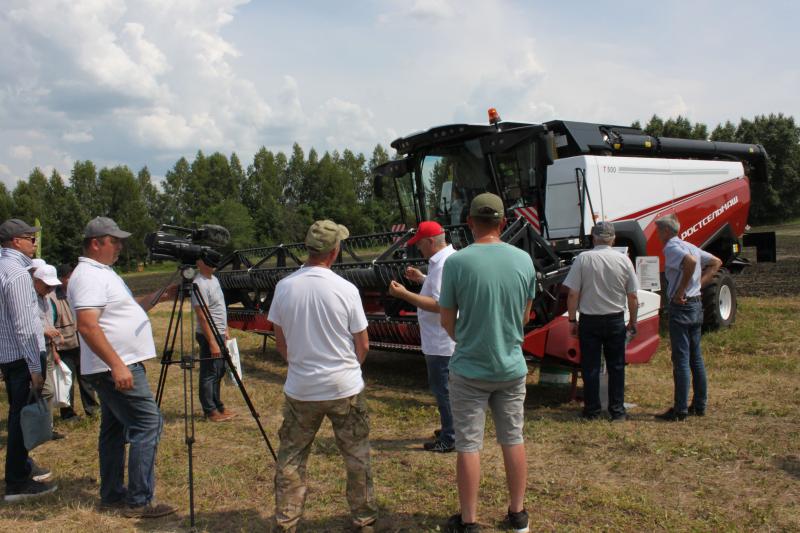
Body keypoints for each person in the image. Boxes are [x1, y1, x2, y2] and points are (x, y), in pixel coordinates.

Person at [268, 219, 377, 532]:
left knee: (292, 457)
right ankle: (364, 519)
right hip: (344, 387)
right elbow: (363, 345)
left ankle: (286, 522)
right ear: (334, 251)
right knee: (356, 456)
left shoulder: (284, 287)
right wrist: (347, 369)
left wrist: (302, 365)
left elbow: (281, 343)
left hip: (302, 388)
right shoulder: (346, 289)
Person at [439, 193, 536, 533]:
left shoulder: (457, 263)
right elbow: (525, 316)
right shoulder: (524, 260)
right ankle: (518, 514)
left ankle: (469, 521)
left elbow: (446, 320)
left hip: (469, 368)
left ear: (469, 222)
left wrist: (468, 339)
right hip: (511, 366)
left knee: (468, 444)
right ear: (503, 222)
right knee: (513, 438)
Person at [69, 216, 177, 518]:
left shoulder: (104, 272)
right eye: (114, 241)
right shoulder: (89, 276)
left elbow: (127, 308)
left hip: (115, 365)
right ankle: (139, 500)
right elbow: (87, 326)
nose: (119, 247)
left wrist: (160, 296)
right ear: (96, 243)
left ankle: (113, 494)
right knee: (148, 423)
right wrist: (116, 365)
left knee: (114, 429)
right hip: (114, 366)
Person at [388, 220, 457, 452]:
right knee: (447, 389)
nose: (418, 248)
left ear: (430, 242)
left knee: (443, 390)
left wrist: (405, 294)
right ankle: (451, 426)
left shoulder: (442, 264)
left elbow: (439, 304)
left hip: (440, 341)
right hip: (444, 338)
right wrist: (422, 279)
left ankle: (451, 437)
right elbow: (445, 291)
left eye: (420, 244)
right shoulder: (447, 260)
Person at [0, 218, 57, 501]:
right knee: (21, 419)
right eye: (30, 238)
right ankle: (17, 482)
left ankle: (21, 467)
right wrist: (35, 367)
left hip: (8, 355)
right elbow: (24, 325)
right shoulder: (19, 275)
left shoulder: (3, 268)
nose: (34, 243)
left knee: (17, 415)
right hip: (23, 357)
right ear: (16, 241)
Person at [563, 222, 639, 422]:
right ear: (613, 239)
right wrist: (633, 321)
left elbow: (572, 293)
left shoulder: (583, 259)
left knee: (590, 367)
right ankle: (617, 411)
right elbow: (632, 296)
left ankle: (592, 410)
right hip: (615, 319)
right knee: (616, 366)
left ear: (593, 237)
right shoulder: (624, 260)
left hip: (589, 320)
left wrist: (572, 320)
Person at [654, 214, 722, 421]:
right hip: (696, 304)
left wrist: (681, 290)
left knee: (681, 359)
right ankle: (699, 405)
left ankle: (680, 409)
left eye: (659, 230)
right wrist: (698, 285)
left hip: (681, 307)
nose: (657, 234)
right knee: (696, 357)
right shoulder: (690, 245)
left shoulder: (671, 248)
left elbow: (690, 262)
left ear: (666, 231)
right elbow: (716, 262)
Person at [48, 263, 99, 420]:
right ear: (61, 279)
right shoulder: (52, 298)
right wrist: (54, 351)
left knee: (87, 379)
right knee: (67, 381)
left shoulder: (79, 293)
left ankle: (93, 410)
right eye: (68, 277)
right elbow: (49, 326)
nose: (72, 280)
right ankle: (68, 414)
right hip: (64, 347)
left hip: (82, 344)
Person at [192, 257, 236, 422]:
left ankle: (218, 406)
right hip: (208, 334)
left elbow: (220, 306)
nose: (213, 264)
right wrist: (212, 342)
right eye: (208, 260)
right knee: (209, 372)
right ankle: (210, 410)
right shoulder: (199, 284)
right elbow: (202, 316)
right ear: (199, 263)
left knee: (219, 371)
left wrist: (225, 329)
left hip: (219, 332)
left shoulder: (214, 279)